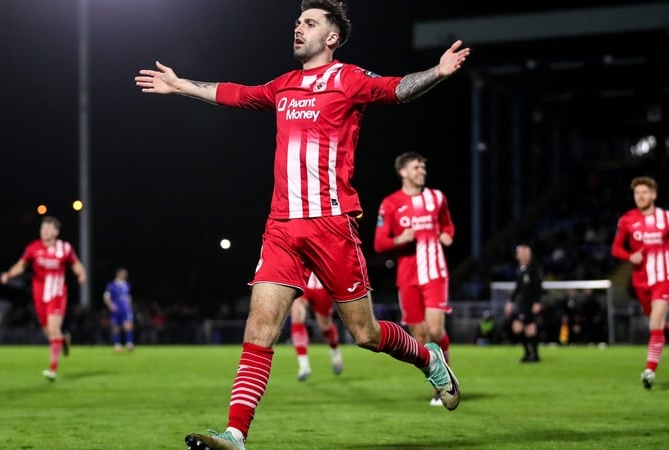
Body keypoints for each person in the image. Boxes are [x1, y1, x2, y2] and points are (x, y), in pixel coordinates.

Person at [135, 1, 468, 448]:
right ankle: (236, 434)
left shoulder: (348, 79)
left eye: (309, 23)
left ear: (331, 37)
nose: (298, 28)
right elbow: (237, 93)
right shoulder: (284, 86)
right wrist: (181, 86)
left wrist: (438, 72)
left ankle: (428, 359)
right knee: (259, 327)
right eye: (297, 21)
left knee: (366, 334)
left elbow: (396, 89)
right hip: (281, 228)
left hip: (331, 225)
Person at [373, 151, 456, 406]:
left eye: (423, 167)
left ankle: (447, 384)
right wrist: (400, 239)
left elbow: (447, 225)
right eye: (416, 167)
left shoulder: (437, 198)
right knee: (418, 336)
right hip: (407, 276)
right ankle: (439, 381)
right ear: (403, 172)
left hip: (434, 272)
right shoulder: (390, 203)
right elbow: (379, 243)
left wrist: (447, 235)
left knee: (435, 329)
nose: (422, 171)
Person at [611, 176, 669, 389]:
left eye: (644, 192)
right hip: (640, 281)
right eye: (637, 193)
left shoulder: (668, 217)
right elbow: (616, 248)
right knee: (658, 324)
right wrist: (630, 256)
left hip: (664, 277)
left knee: (654, 325)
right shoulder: (627, 220)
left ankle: (649, 372)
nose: (640, 196)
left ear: (653, 195)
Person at [0, 216, 86, 381]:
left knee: (53, 331)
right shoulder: (33, 248)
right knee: (49, 332)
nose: (44, 231)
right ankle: (63, 339)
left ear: (56, 232)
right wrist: (9, 274)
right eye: (42, 228)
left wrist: (81, 273)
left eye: (48, 228)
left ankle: (52, 369)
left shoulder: (64, 248)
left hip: (57, 293)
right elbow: (21, 265)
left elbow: (76, 263)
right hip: (39, 295)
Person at [289, 272, 343, 381]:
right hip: (302, 281)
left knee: (325, 327)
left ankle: (335, 352)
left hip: (322, 286)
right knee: (297, 316)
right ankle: (304, 366)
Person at [504, 244, 543, 363]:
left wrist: (537, 302)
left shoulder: (534, 269)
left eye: (524, 253)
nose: (521, 255)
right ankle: (532, 355)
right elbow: (518, 288)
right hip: (523, 304)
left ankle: (531, 354)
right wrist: (510, 301)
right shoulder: (520, 268)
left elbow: (538, 286)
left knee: (522, 327)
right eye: (520, 253)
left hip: (530, 304)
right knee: (527, 328)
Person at [103, 267, 135, 352]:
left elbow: (128, 296)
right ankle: (117, 345)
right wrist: (111, 306)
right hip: (116, 309)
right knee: (116, 327)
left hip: (125, 309)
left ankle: (129, 344)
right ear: (118, 274)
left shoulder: (127, 284)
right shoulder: (111, 285)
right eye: (123, 273)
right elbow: (106, 297)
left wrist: (130, 306)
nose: (125, 275)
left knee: (128, 326)